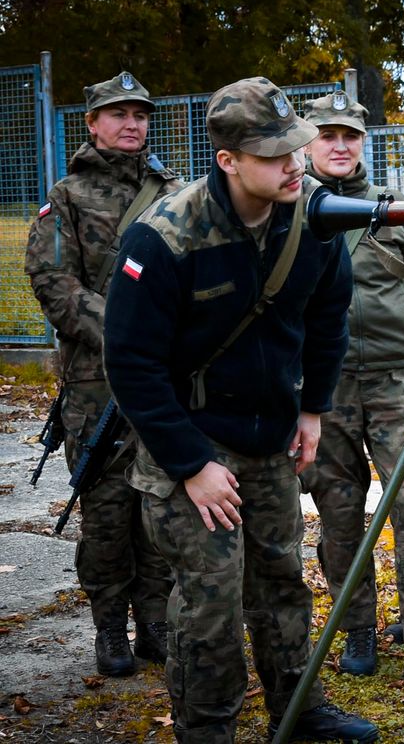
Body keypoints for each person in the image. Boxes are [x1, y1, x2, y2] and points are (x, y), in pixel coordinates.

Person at [102, 77, 376, 743]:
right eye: (275, 154)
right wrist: (192, 464)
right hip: (190, 444)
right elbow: (129, 364)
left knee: (282, 578)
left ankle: (298, 708)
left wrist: (312, 410)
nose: (293, 164)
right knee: (211, 601)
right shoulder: (165, 236)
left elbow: (329, 316)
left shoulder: (315, 215)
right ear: (228, 160)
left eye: (296, 149)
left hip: (270, 438)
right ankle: (208, 728)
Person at [299, 93, 404, 692]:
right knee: (339, 515)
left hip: (399, 382)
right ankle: (357, 628)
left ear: (364, 143)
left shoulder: (393, 211)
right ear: (308, 142)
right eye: (328, 135)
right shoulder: (293, 211)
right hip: (325, 387)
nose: (340, 145)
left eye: (351, 136)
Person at [24, 71, 179, 678]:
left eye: (140, 113)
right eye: (118, 113)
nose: (131, 123)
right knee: (109, 510)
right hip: (97, 385)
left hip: (166, 380)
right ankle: (111, 626)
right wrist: (127, 334)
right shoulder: (66, 196)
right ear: (92, 123)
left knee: (161, 502)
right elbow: (54, 286)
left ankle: (157, 623)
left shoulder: (173, 194)